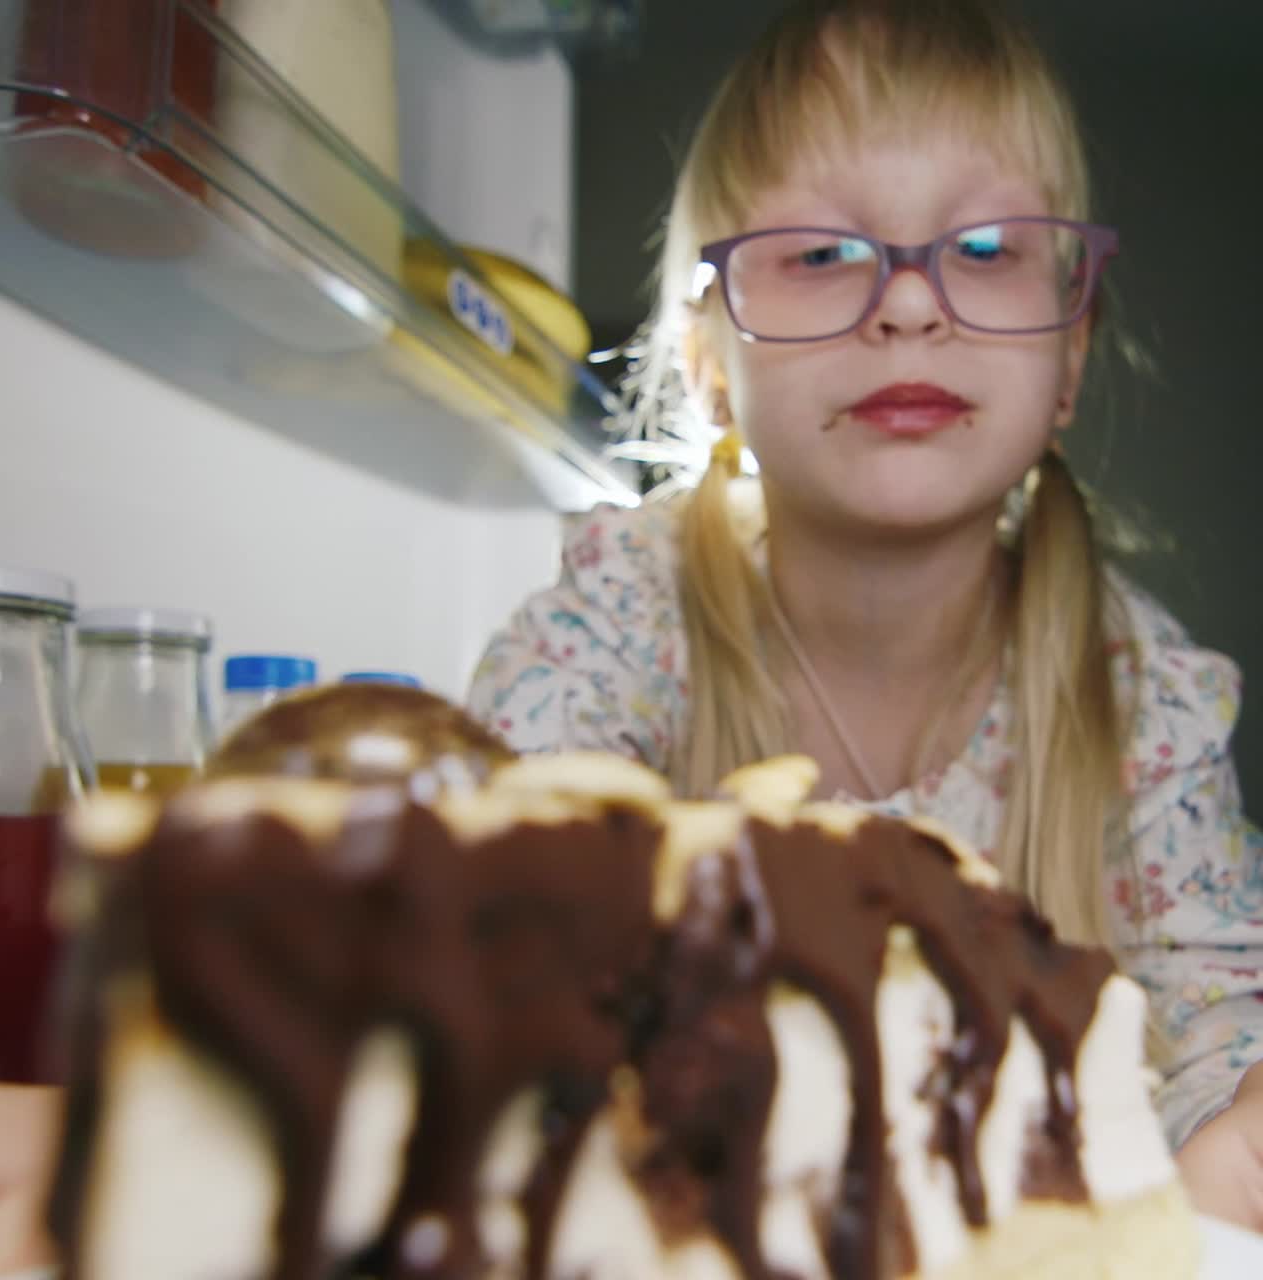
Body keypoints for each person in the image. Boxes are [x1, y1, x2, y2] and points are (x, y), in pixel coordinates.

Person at [468, 0, 1263, 1232]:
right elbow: (516, 937)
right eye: (822, 252)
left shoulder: (1137, 690)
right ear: (708, 362)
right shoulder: (616, 624)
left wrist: (1220, 1148)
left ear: (1067, 357)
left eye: (987, 244)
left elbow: (1217, 1029)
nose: (906, 305)